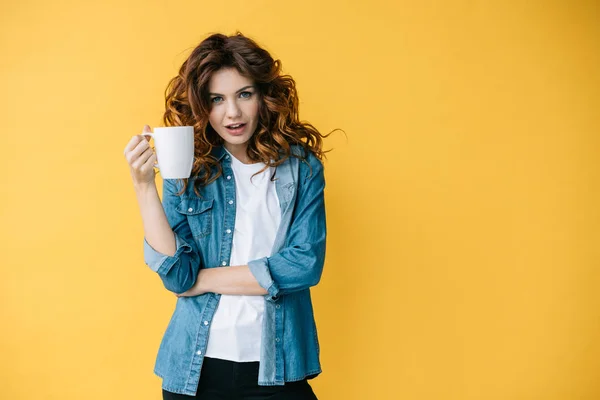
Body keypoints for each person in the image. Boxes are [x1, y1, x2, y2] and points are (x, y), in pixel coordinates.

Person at [123, 32, 332, 399]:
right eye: (217, 99)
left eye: (244, 95)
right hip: (196, 369)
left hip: (278, 366)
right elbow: (176, 275)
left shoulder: (301, 169)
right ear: (202, 106)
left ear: (264, 97)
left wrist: (204, 279)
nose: (232, 113)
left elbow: (304, 264)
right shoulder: (187, 168)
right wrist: (144, 187)